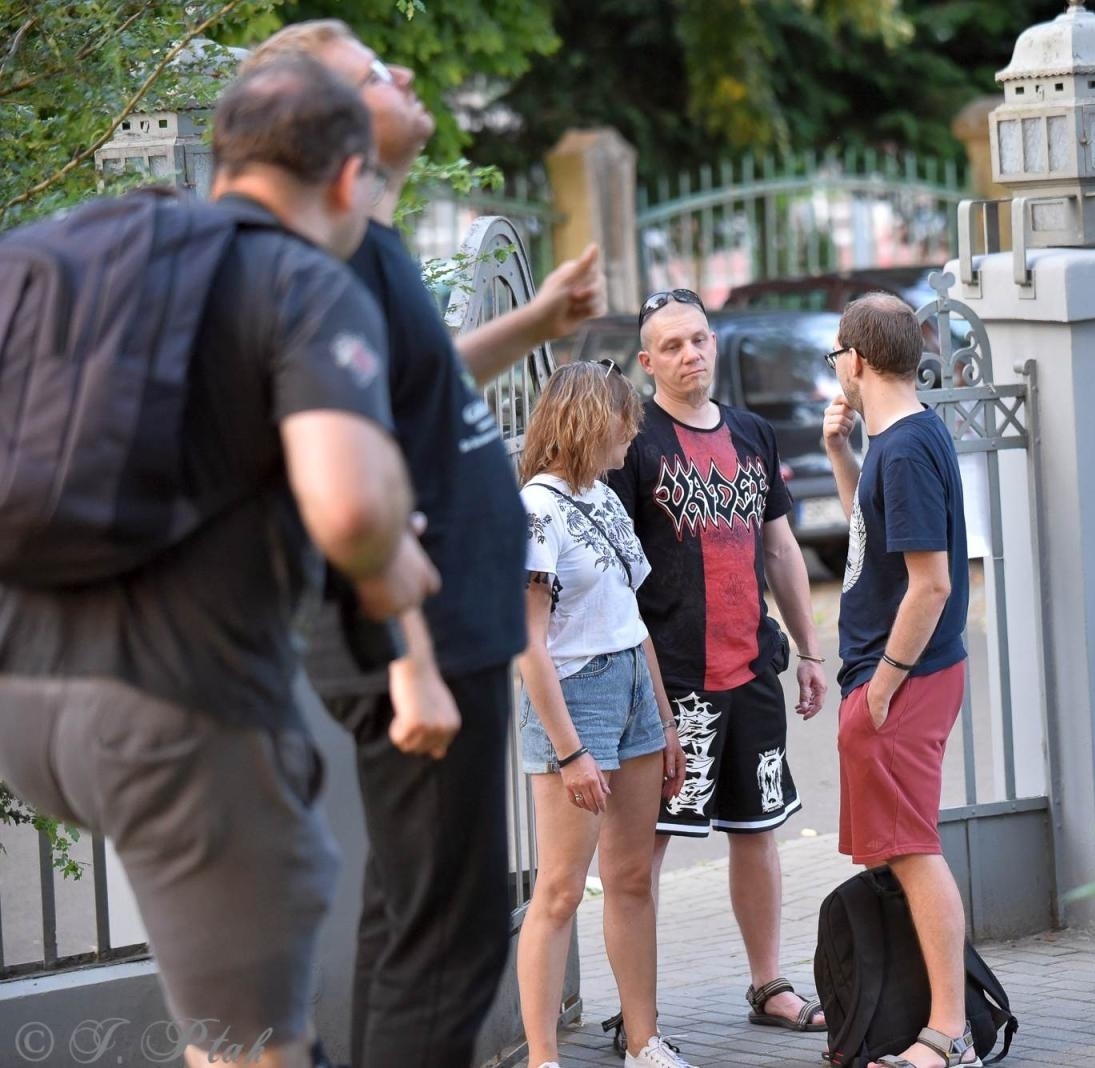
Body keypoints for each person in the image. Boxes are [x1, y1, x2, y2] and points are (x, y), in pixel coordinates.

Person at [0, 57, 433, 1068]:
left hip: (21, 698)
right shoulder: (299, 282)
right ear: (345, 180)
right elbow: (353, 504)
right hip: (179, 718)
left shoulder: (42, 256)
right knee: (253, 1052)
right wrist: (390, 577)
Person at [241, 22, 605, 1067]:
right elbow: (344, 467)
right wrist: (413, 660)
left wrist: (534, 325)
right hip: (424, 638)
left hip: (446, 630)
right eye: (370, 72)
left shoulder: (366, 242)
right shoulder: (326, 252)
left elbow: (419, 383)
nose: (400, 74)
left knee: (411, 921)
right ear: (321, 119)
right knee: (446, 947)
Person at [608, 288, 830, 1036]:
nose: (691, 355)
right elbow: (612, 570)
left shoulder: (753, 434)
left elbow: (779, 546)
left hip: (751, 669)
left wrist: (808, 650)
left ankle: (769, 984)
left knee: (759, 827)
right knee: (646, 852)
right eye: (671, 346)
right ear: (646, 363)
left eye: (699, 339)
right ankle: (638, 1014)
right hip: (671, 684)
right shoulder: (633, 445)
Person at [513, 362, 692, 1068]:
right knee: (558, 891)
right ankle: (542, 1058)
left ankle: (644, 1042)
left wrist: (667, 722)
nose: (634, 435)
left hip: (633, 692)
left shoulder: (604, 498)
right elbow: (527, 644)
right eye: (626, 421)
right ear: (592, 420)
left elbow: (632, 618)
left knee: (630, 879)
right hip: (575, 695)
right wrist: (569, 751)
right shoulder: (535, 510)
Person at [821, 292, 976, 1068]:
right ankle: (930, 1016)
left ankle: (949, 1034)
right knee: (903, 851)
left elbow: (931, 584)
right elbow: (869, 539)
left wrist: (882, 686)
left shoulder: (909, 447)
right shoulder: (893, 437)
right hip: (893, 678)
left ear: (854, 358)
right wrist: (840, 456)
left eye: (834, 358)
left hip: (902, 681)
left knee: (914, 851)